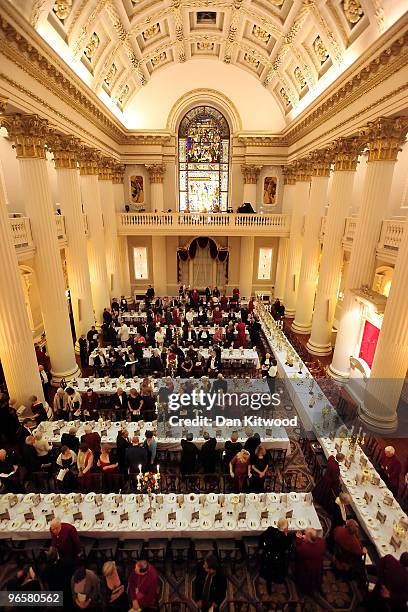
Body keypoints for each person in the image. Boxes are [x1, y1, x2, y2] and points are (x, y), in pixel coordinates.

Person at [259, 519, 295, 592]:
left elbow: (261, 538)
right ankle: (276, 581)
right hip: (278, 559)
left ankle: (269, 585)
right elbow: (288, 548)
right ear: (285, 529)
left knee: (268, 571)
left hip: (267, 556)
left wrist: (263, 547)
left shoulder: (270, 531)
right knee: (276, 572)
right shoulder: (287, 538)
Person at [294, 528, 326, 595]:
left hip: (307, 567)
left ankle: (305, 590)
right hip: (318, 565)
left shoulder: (304, 547)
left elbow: (298, 551)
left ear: (308, 538)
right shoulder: (322, 542)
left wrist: (298, 539)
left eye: (305, 534)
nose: (304, 535)